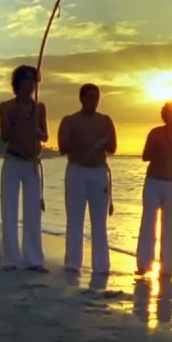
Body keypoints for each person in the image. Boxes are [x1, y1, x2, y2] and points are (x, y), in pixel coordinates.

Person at [57, 83, 117, 275]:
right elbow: (63, 146)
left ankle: (101, 266)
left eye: (97, 98)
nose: (94, 102)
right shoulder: (70, 121)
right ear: (81, 99)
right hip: (77, 171)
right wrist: (84, 143)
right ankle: (72, 263)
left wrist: (102, 140)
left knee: (99, 222)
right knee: (75, 218)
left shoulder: (105, 120)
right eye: (90, 98)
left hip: (98, 172)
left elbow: (113, 147)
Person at [0, 65, 48, 272]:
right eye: (27, 82)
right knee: (9, 210)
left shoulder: (40, 107)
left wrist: (38, 133)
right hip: (12, 161)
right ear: (18, 84)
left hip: (32, 164)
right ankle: (10, 259)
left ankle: (34, 259)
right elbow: (5, 136)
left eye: (33, 83)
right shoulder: (7, 107)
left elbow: (45, 136)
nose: (30, 87)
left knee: (33, 212)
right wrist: (15, 122)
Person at [135, 100, 172, 278]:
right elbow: (145, 156)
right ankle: (144, 265)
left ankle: (169, 268)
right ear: (167, 115)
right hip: (153, 181)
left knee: (170, 227)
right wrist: (160, 153)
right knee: (148, 222)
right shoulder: (156, 133)